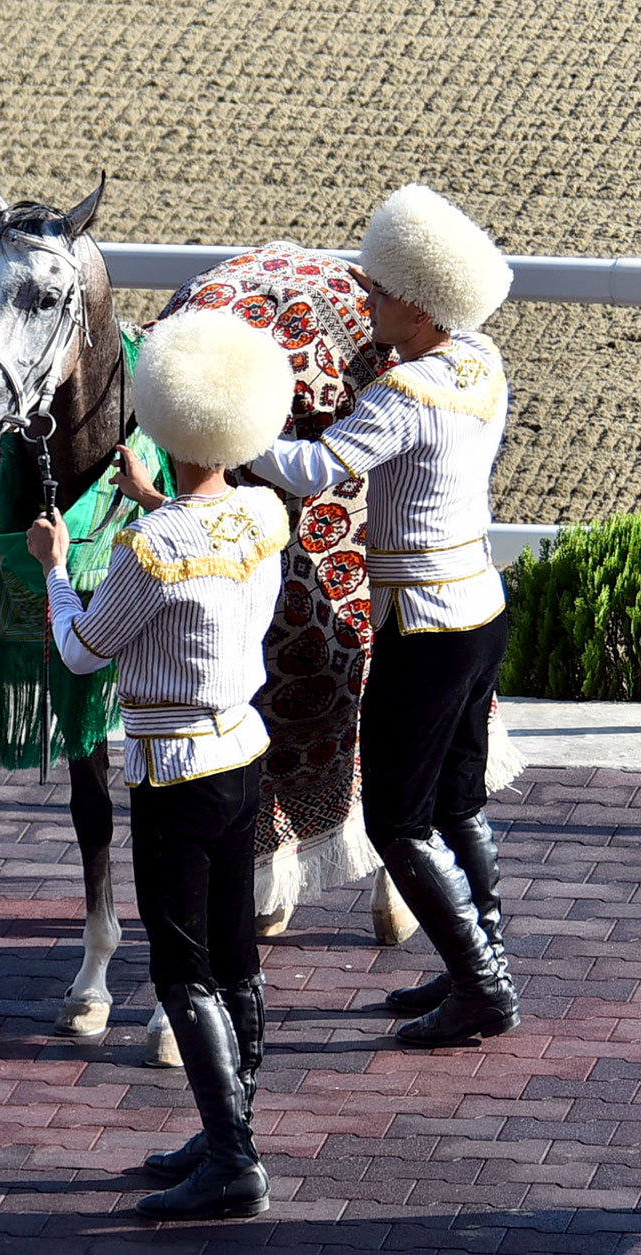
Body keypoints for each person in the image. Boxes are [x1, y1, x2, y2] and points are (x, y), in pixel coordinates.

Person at [26, 310, 292, 1221]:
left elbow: (83, 650)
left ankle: (231, 1158)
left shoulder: (149, 548)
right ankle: (232, 1128)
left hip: (173, 772)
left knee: (181, 967)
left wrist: (57, 568)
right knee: (236, 954)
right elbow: (204, 539)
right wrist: (154, 496)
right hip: (242, 756)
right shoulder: (263, 511)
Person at [248, 183, 519, 1049]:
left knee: (397, 820)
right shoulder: (480, 361)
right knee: (460, 805)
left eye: (378, 289)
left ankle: (481, 989)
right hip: (480, 606)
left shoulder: (407, 394)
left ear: (422, 301)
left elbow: (312, 468)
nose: (365, 300)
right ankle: (481, 956)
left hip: (425, 628)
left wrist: (225, 427)